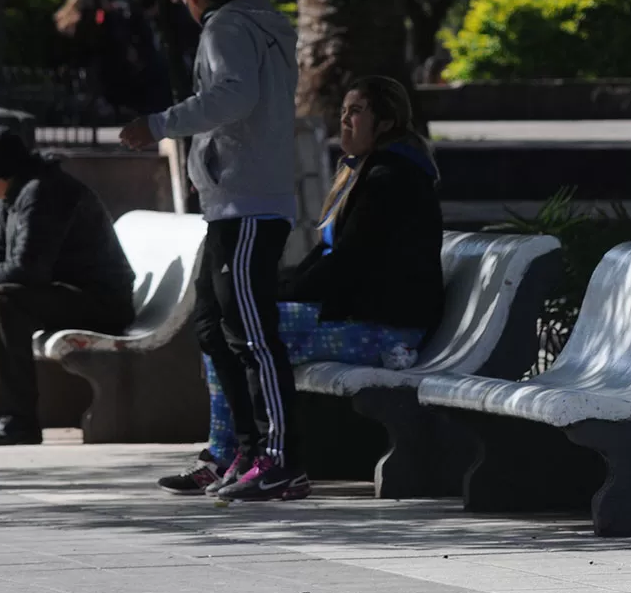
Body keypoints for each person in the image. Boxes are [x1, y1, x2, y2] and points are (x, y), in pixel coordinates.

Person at [156, 76, 446, 495]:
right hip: (359, 317)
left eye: (357, 111)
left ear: (386, 122)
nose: (345, 120)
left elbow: (347, 264)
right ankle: (232, 454)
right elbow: (328, 255)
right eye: (344, 110)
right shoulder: (365, 173)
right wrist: (275, 289)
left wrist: (274, 295)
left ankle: (253, 457)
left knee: (242, 327)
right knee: (235, 323)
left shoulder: (390, 180)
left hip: (390, 333)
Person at [119, 0, 305, 502]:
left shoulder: (225, 27)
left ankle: (281, 458)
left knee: (251, 333)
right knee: (212, 327)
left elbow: (233, 95)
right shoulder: (266, 26)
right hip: (234, 203)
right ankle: (241, 448)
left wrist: (159, 123)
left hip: (248, 203)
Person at [0, 127, 134, 446]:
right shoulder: (15, 190)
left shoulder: (44, 192)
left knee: (5, 299)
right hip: (62, 293)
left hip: (101, 302)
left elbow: (27, 270)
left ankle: (19, 420)